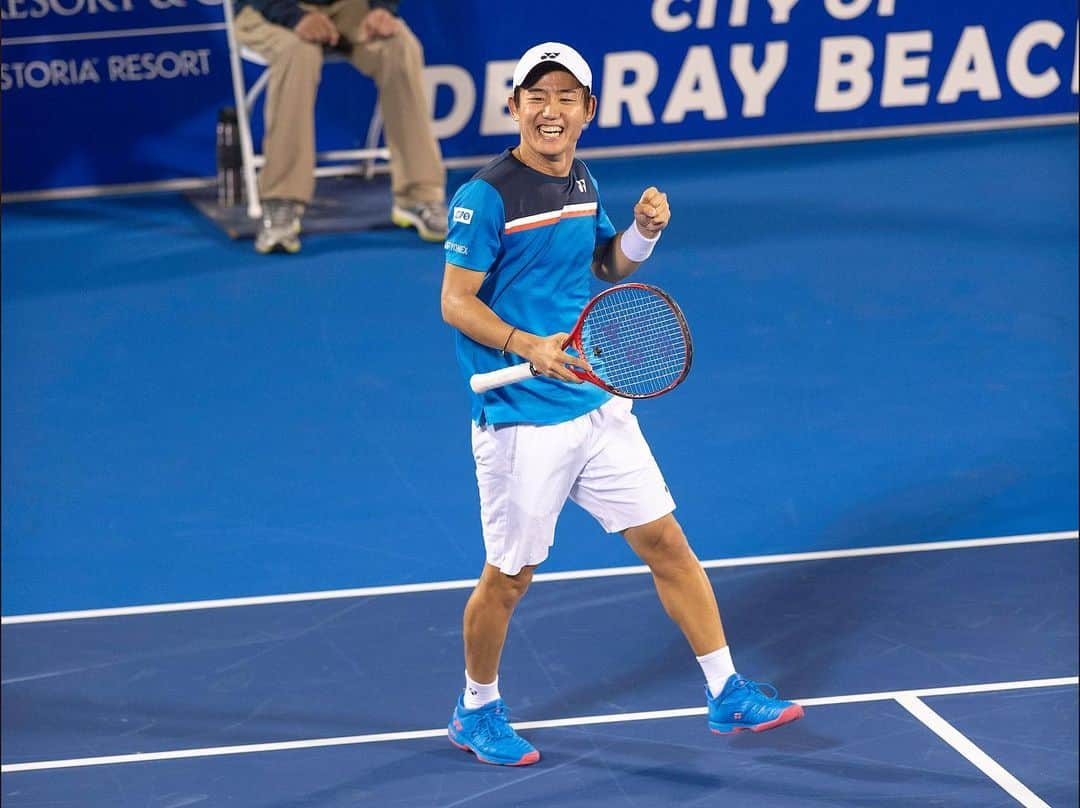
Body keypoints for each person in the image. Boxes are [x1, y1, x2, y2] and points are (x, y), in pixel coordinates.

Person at [439, 42, 804, 767]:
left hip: (596, 406)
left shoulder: (579, 177)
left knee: (666, 541)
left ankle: (725, 689)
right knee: (508, 578)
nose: (552, 109)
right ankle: (475, 709)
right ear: (514, 106)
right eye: (536, 96)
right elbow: (455, 302)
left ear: (588, 111)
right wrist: (526, 344)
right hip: (522, 420)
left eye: (566, 97)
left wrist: (643, 231)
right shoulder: (485, 197)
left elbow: (604, 265)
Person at [233, 0, 447, 253]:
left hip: (347, 6)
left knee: (399, 45)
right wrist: (293, 17)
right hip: (266, 8)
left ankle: (419, 195)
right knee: (298, 52)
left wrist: (382, 8)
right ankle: (281, 201)